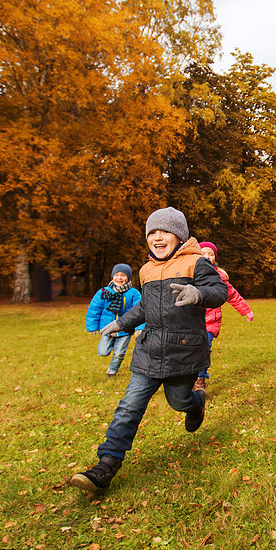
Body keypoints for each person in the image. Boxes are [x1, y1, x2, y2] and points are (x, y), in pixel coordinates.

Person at [69, 207, 227, 494]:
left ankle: (196, 403)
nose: (157, 237)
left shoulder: (196, 263)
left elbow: (219, 291)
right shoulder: (146, 270)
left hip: (183, 353)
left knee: (178, 401)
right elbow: (145, 307)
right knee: (129, 407)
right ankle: (106, 465)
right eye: (152, 233)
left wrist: (198, 294)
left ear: (179, 236)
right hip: (149, 351)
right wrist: (121, 323)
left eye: (164, 232)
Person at [193, 241, 254, 396]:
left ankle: (200, 380)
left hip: (210, 321)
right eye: (203, 253)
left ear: (215, 258)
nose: (207, 256)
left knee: (204, 350)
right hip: (191, 321)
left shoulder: (219, 277)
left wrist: (246, 310)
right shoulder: (189, 273)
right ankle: (186, 378)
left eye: (211, 254)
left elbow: (232, 295)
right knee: (189, 349)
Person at [85, 263, 143, 376]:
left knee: (118, 354)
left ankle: (112, 371)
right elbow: (94, 309)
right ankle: (110, 345)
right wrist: (92, 326)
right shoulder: (104, 292)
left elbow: (140, 311)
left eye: (123, 275)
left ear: (128, 277)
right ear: (112, 277)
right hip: (107, 328)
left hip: (125, 329)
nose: (119, 278)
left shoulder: (134, 294)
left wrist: (139, 327)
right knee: (102, 352)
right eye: (117, 275)